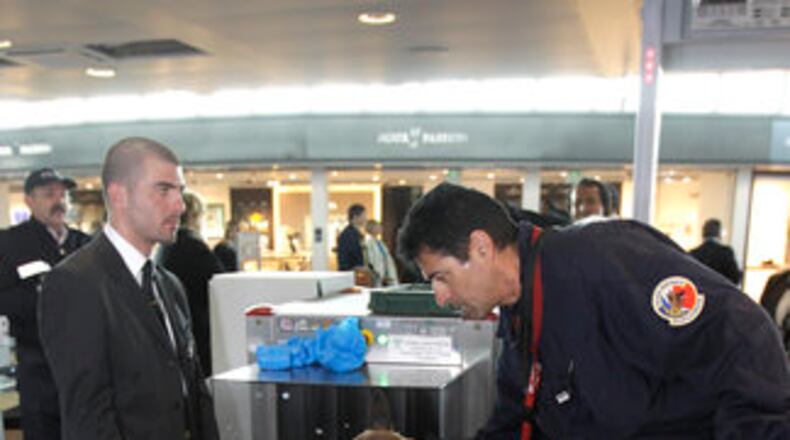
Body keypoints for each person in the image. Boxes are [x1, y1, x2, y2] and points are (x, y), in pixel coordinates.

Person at [397, 182, 790, 439]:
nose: (440, 297)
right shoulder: (519, 317)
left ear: (481, 247)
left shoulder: (602, 262)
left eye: (441, 277)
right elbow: (513, 422)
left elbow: (741, 332)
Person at [38, 137, 219, 440]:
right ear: (119, 195)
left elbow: (194, 392)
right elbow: (89, 417)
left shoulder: (168, 284)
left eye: (180, 191)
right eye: (164, 190)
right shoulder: (75, 283)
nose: (179, 205)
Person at [0, 167, 91, 440]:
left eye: (63, 195)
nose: (59, 201)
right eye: (49, 194)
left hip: (85, 369)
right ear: (29, 200)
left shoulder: (84, 244)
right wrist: (51, 297)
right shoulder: (10, 244)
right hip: (39, 368)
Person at [157, 191, 224, 376]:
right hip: (198, 329)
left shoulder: (166, 247)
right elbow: (218, 284)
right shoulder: (193, 247)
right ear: (195, 216)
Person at [689, 218, 742, 285]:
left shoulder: (693, 253)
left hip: (701, 292)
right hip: (721, 292)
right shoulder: (726, 252)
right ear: (719, 234)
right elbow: (734, 278)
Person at [364, 220, 399, 287]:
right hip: (377, 274)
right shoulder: (368, 242)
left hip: (385, 273)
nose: (381, 228)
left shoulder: (379, 242)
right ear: (372, 228)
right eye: (378, 226)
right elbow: (370, 260)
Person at [337, 203, 367, 271]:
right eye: (364, 215)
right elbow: (345, 258)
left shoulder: (358, 234)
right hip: (351, 273)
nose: (366, 218)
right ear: (355, 217)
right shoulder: (348, 235)